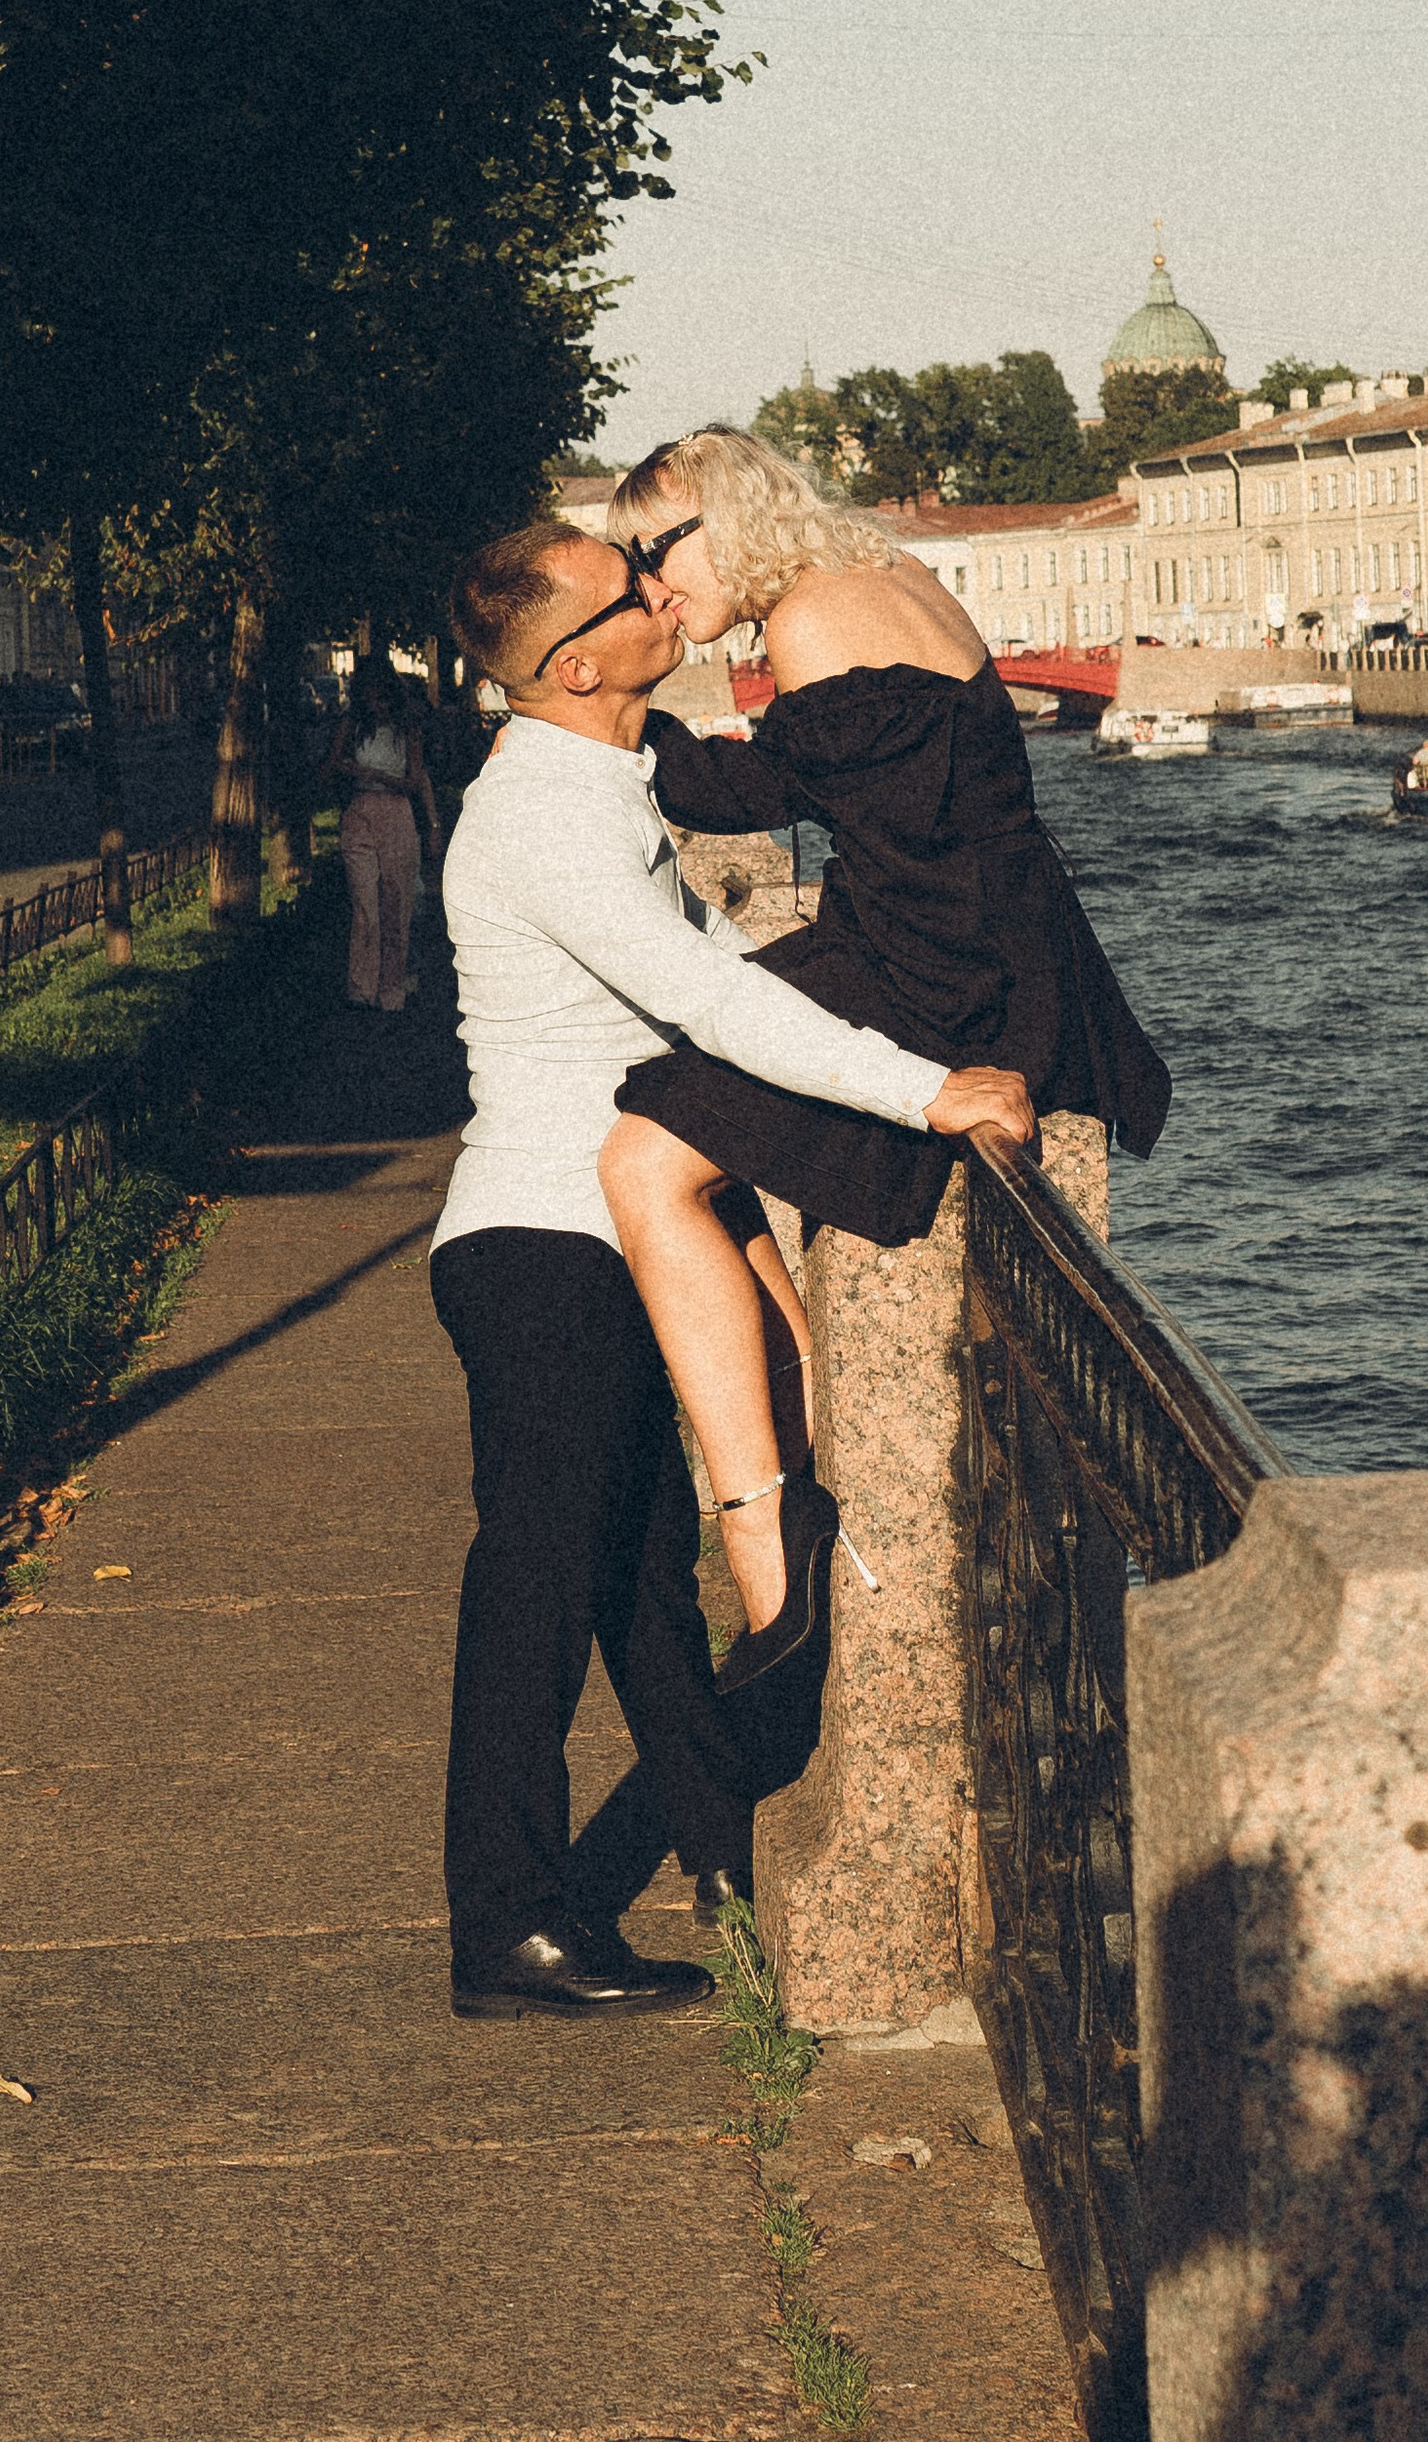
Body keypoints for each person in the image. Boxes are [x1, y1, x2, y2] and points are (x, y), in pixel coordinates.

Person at [431, 517, 1032, 2023]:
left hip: (587, 1235)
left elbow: (741, 977)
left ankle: (721, 1853)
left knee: (636, 1584)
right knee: (540, 1581)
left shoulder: (600, 781)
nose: (658, 589)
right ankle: (502, 1925)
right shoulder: (544, 820)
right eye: (628, 589)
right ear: (579, 664)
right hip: (543, 1247)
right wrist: (931, 1089)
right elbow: (712, 1004)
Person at [598, 427, 1169, 1674]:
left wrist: (601, 708)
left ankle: (767, 1531)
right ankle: (794, 1441)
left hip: (947, 973)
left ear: (727, 521)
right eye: (632, 565)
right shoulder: (879, 579)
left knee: (648, 1152)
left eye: (655, 552)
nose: (649, 585)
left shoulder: (814, 621)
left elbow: (757, 802)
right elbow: (862, 804)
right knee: (694, 1111)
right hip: (987, 942)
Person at [323, 660, 440, 1014]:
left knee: (396, 904)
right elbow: (330, 767)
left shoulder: (408, 729)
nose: (377, 706)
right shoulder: (352, 726)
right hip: (359, 814)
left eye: (382, 698)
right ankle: (361, 989)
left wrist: (433, 827)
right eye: (370, 699)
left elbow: (414, 780)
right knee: (365, 907)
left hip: (397, 814)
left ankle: (392, 990)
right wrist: (350, 771)